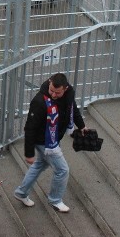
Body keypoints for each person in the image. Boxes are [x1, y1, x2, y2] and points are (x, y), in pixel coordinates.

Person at [13, 73, 88, 213]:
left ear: (65, 89)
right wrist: (29, 153)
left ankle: (21, 193)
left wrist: (82, 126)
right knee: (62, 170)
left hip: (53, 139)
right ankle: (55, 200)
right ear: (49, 82)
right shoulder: (39, 102)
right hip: (45, 143)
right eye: (51, 90)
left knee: (40, 164)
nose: (53, 94)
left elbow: (73, 109)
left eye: (57, 92)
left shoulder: (68, 94)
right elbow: (29, 128)